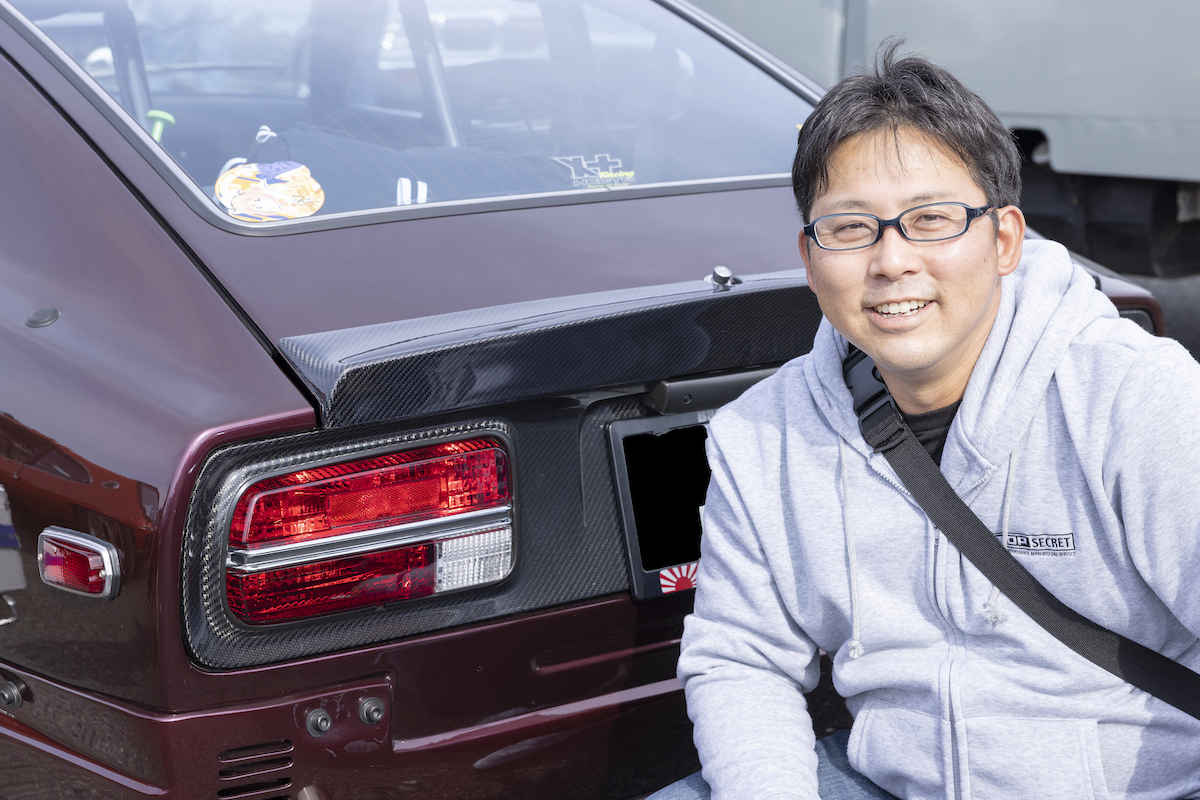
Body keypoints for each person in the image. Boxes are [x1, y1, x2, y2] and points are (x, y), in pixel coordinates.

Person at [649, 45, 1200, 800]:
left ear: (1004, 239)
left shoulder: (1134, 397)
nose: (892, 261)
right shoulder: (762, 435)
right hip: (891, 781)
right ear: (810, 259)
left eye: (931, 220)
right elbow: (741, 659)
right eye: (850, 229)